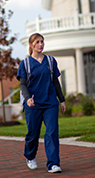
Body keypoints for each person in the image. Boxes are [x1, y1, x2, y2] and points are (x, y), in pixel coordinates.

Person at [17, 33, 66, 173]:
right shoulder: (25, 63)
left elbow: (56, 82)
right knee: (33, 133)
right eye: (37, 42)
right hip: (33, 103)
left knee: (52, 132)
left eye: (42, 41)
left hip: (50, 102)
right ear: (31, 45)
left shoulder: (50, 61)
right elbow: (23, 85)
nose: (41, 44)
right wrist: (27, 99)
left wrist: (61, 100)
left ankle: (53, 164)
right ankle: (30, 156)